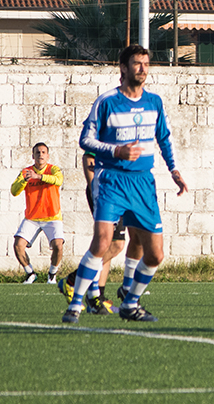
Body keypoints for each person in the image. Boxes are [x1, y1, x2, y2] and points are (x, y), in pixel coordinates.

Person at [63, 44, 187, 324]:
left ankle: (131, 303)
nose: (142, 69)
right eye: (137, 64)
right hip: (112, 180)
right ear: (123, 68)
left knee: (155, 254)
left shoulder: (154, 102)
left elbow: (164, 138)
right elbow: (86, 140)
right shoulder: (107, 101)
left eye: (146, 63)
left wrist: (174, 170)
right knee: (103, 242)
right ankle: (75, 304)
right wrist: (116, 151)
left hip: (143, 183)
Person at [58, 151, 128, 315]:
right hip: (105, 192)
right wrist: (95, 190)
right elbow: (89, 157)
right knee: (113, 243)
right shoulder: (105, 128)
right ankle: (73, 280)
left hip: (120, 191)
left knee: (112, 243)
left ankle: (98, 298)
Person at [12, 143, 65, 285]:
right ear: (33, 156)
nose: (40, 155)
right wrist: (25, 180)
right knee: (18, 245)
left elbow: (59, 181)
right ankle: (30, 273)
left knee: (58, 245)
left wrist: (39, 177)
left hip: (52, 216)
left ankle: (52, 275)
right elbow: (14, 191)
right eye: (37, 152)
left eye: (43, 152)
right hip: (32, 217)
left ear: (47, 156)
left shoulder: (53, 169)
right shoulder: (26, 172)